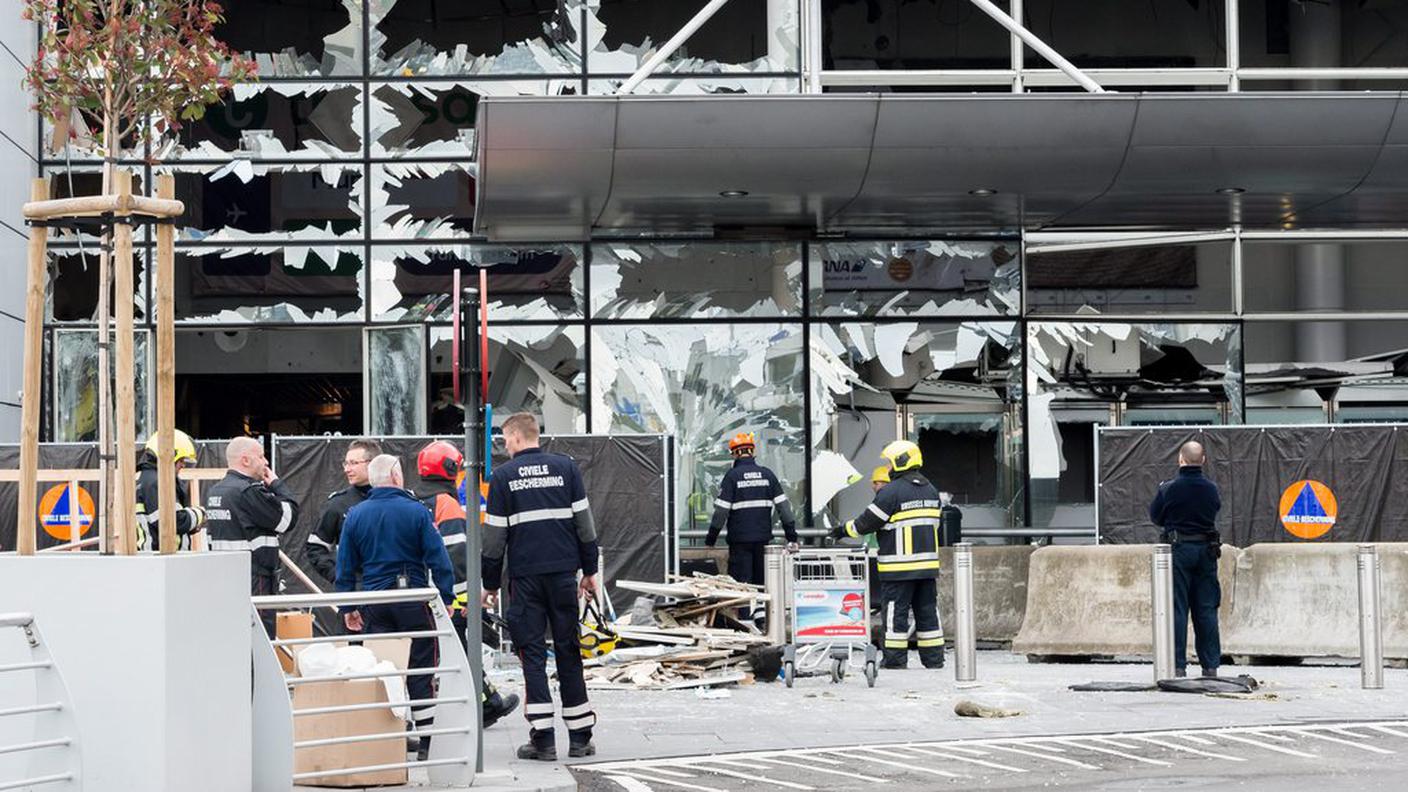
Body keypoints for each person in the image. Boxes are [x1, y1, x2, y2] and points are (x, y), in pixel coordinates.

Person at [483, 412, 599, 762]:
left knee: (531, 654)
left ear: (517, 437)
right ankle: (580, 738)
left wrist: (490, 584)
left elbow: (494, 539)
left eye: (504, 439)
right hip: (564, 575)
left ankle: (543, 739)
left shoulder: (502, 478)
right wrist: (589, 571)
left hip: (525, 579)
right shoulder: (566, 468)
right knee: (568, 650)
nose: (504, 445)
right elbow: (585, 525)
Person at [337, 454, 456, 761]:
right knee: (421, 668)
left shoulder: (355, 515)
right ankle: (427, 741)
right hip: (412, 600)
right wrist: (445, 596)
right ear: (395, 477)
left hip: (374, 603)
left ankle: (388, 741)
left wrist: (348, 607)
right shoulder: (416, 511)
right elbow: (437, 557)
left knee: (384, 670)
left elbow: (346, 567)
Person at [415, 440, 520, 729]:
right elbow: (457, 558)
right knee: (461, 651)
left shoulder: (413, 499)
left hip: (420, 594)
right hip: (446, 598)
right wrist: (464, 602)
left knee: (435, 655)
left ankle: (476, 703)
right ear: (449, 470)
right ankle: (486, 704)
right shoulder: (446, 505)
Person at [834, 440, 945, 670]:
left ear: (900, 461)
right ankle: (934, 659)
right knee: (928, 612)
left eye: (890, 463)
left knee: (896, 613)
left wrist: (842, 530)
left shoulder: (891, 492)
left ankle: (895, 660)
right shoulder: (931, 490)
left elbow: (866, 523)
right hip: (926, 566)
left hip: (898, 567)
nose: (888, 468)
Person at [206, 437, 299, 638]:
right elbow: (288, 518)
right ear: (246, 460)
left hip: (226, 579)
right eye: (261, 456)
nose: (265, 462)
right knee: (260, 638)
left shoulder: (216, 491)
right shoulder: (248, 491)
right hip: (256, 579)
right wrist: (276, 484)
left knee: (233, 635)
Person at [1149, 440, 1223, 679]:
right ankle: (1210, 666)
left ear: (1180, 459)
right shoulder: (1211, 488)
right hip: (1207, 551)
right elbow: (1215, 510)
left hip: (1179, 550)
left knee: (1177, 608)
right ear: (1202, 460)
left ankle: (1177, 665)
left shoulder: (1168, 488)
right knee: (1206, 609)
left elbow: (1156, 516)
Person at [704, 432, 799, 602]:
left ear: (735, 453)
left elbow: (721, 512)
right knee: (762, 585)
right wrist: (791, 536)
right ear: (752, 451)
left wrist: (711, 539)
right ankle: (762, 621)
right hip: (763, 541)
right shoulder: (768, 475)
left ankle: (746, 623)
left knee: (742, 587)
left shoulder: (732, 477)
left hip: (740, 543)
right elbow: (784, 509)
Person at [306, 439, 381, 583]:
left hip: (395, 591)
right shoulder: (338, 504)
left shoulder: (399, 500)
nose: (347, 469)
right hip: (357, 592)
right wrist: (337, 576)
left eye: (353, 463)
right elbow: (316, 547)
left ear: (373, 463)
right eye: (346, 463)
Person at [135, 430, 206, 553]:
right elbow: (173, 522)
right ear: (170, 456)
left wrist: (190, 527)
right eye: (181, 460)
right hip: (162, 559)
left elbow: (160, 522)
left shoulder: (148, 478)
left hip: (159, 558)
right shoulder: (156, 482)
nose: (183, 465)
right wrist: (201, 513)